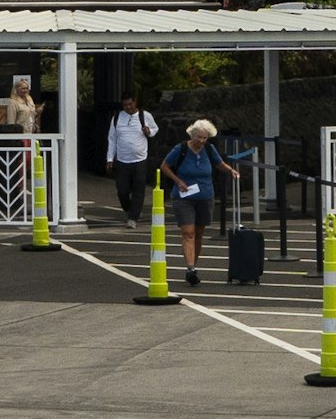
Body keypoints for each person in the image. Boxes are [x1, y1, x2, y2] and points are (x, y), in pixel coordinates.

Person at [158, 119, 245, 284]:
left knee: (198, 233)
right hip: (184, 198)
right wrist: (178, 181)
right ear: (192, 135)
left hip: (205, 196)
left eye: (205, 138)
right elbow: (165, 166)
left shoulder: (209, 149)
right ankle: (190, 268)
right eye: (199, 137)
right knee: (188, 232)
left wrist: (230, 170)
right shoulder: (181, 149)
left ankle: (193, 267)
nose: (201, 141)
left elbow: (219, 164)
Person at [105, 95, 159, 226]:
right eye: (125, 105)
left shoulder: (145, 116)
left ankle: (133, 218)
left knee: (138, 189)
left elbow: (155, 129)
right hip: (123, 160)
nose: (128, 107)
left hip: (140, 159)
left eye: (130, 104)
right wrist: (110, 158)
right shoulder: (117, 118)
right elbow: (112, 138)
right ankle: (129, 209)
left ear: (135, 102)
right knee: (122, 190)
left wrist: (148, 131)